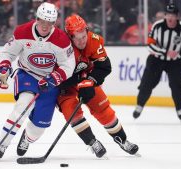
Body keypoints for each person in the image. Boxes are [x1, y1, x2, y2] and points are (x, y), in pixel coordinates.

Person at [0, 2, 75, 161]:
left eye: (49, 22)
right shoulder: (22, 31)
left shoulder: (61, 39)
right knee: (24, 105)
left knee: (40, 126)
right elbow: (8, 53)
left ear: (54, 22)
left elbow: (69, 65)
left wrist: (54, 79)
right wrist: (4, 68)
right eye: (42, 20)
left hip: (50, 80)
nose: (45, 25)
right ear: (37, 18)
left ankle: (27, 138)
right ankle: (1, 144)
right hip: (27, 74)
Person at [56, 14, 139, 158]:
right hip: (66, 85)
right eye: (78, 38)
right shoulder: (60, 47)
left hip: (86, 80)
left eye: (84, 36)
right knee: (71, 112)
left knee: (103, 108)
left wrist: (88, 81)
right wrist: (79, 80)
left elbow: (104, 67)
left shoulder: (94, 40)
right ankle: (92, 142)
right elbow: (57, 78)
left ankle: (122, 140)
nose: (82, 41)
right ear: (70, 37)